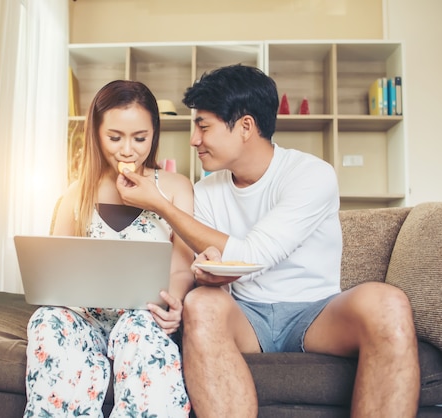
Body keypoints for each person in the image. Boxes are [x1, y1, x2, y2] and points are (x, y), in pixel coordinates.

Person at [116, 65, 420, 417]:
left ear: (245, 126)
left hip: (316, 313)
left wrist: (158, 203)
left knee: (388, 302)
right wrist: (205, 273)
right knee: (202, 303)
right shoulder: (207, 192)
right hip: (247, 318)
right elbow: (210, 262)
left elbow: (252, 255)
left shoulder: (311, 175)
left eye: (204, 126)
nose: (194, 139)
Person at [24, 80, 194, 417]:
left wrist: (172, 305)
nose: (128, 150)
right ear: (96, 134)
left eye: (140, 138)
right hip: (85, 318)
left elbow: (181, 267)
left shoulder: (175, 188)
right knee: (46, 319)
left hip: (142, 315)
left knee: (143, 333)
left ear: (154, 134)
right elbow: (56, 265)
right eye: (115, 138)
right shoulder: (78, 191)